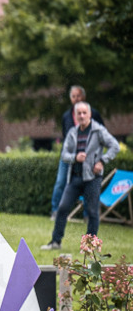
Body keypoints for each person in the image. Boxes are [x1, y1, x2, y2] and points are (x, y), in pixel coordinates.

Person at [41, 102, 119, 250]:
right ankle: (55, 242)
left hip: (92, 178)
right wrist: (75, 157)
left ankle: (89, 246)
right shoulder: (72, 132)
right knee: (63, 208)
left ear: (89, 114)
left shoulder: (98, 130)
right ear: (76, 116)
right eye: (79, 113)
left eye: (84, 113)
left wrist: (102, 161)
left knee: (92, 212)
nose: (82, 116)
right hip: (75, 178)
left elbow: (115, 146)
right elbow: (64, 154)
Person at [50, 85, 106, 219]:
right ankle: (55, 211)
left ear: (84, 97)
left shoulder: (94, 114)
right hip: (70, 156)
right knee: (60, 182)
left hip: (88, 157)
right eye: (74, 96)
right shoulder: (66, 116)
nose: (76, 99)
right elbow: (66, 136)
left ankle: (88, 215)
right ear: (71, 99)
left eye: (79, 96)